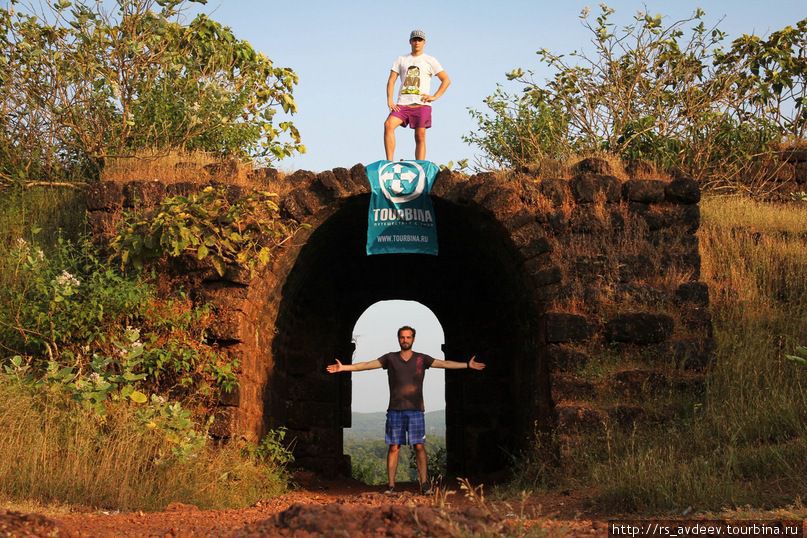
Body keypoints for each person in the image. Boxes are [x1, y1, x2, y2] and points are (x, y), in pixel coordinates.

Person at [327, 325, 485, 495]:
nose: (405, 340)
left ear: (413, 339)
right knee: (394, 447)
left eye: (408, 337)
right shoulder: (390, 358)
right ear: (398, 339)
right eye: (402, 337)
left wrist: (467, 365)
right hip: (395, 410)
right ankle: (391, 486)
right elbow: (367, 364)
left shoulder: (421, 359)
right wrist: (344, 368)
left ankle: (424, 485)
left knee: (419, 446)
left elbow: (444, 363)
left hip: (416, 410)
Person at [384, 29, 451, 161]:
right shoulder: (401, 59)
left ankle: (420, 165)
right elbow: (391, 80)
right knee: (388, 125)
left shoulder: (430, 60)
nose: (417, 42)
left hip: (421, 105)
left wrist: (434, 96)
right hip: (402, 104)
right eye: (414, 40)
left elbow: (446, 80)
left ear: (424, 42)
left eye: (419, 40)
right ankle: (389, 162)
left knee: (420, 135)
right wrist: (390, 100)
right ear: (410, 42)